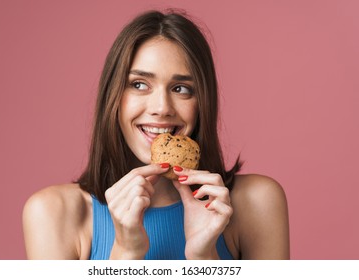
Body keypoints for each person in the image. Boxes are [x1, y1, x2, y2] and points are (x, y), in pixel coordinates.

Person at [22, 9, 290, 260]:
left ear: (203, 103)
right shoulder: (53, 213)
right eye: (139, 84)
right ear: (113, 97)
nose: (162, 108)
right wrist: (125, 252)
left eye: (182, 88)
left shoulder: (256, 203)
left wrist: (203, 259)